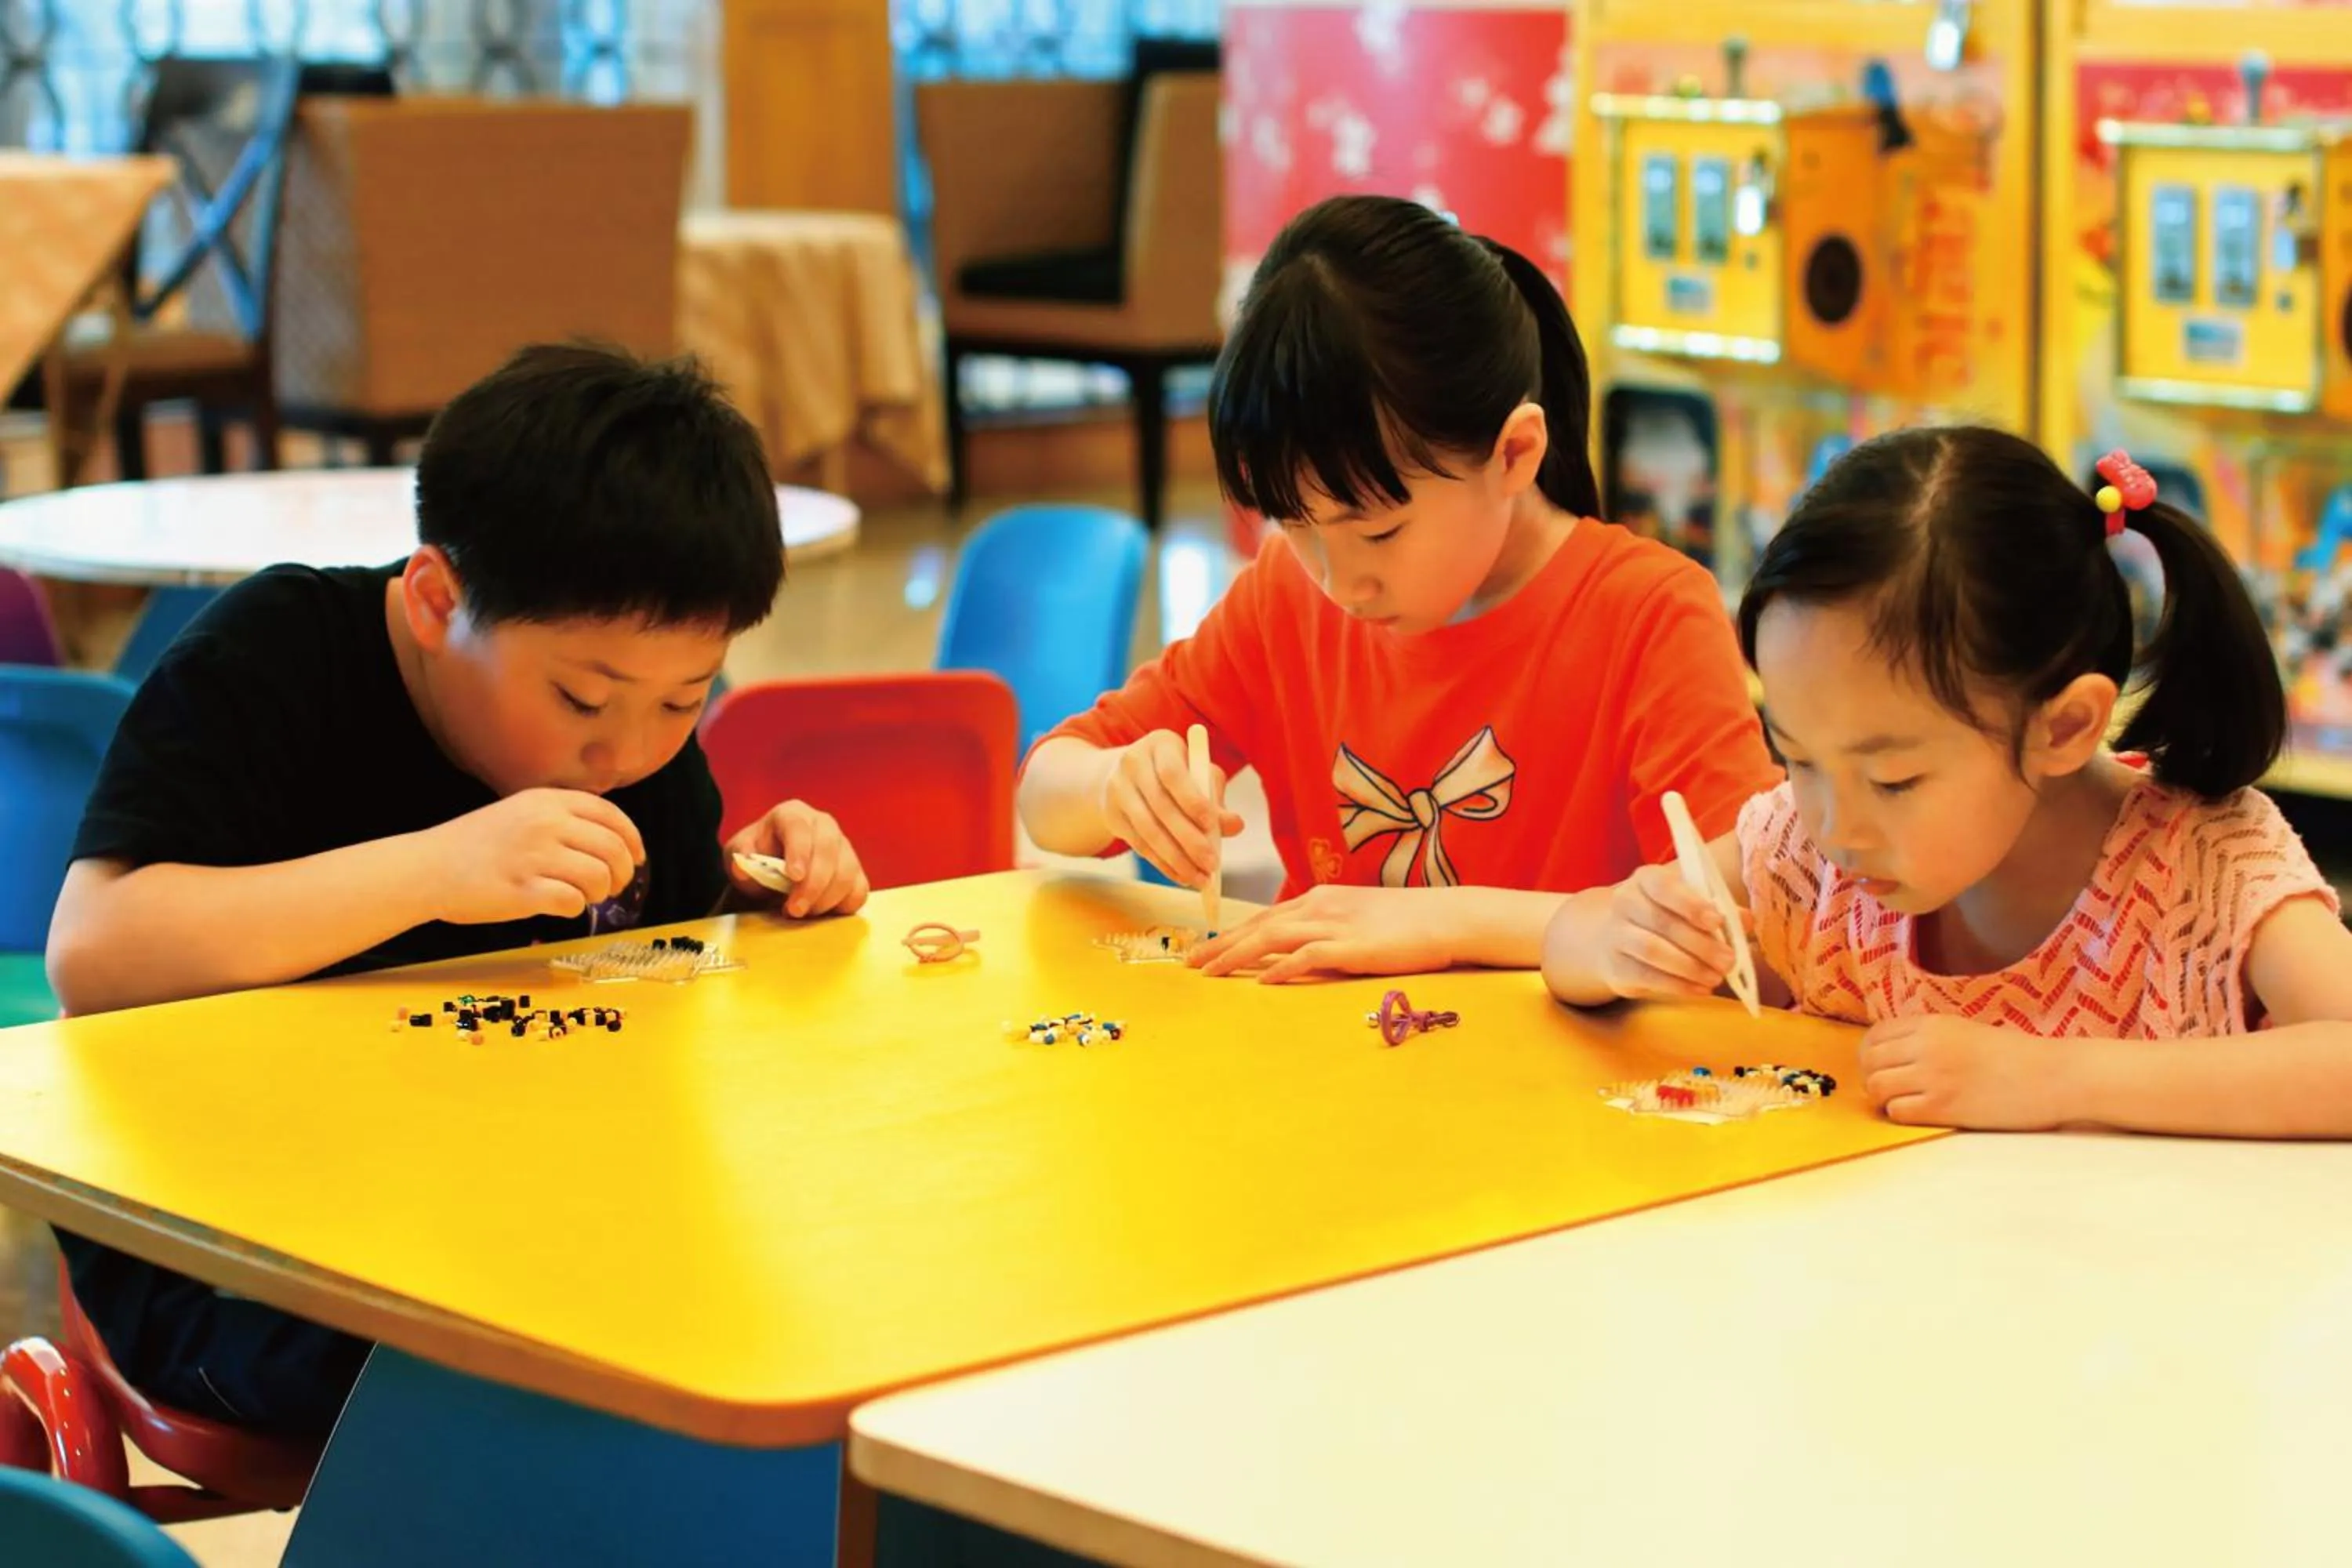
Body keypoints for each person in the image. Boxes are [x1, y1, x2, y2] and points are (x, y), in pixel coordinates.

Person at [44, 343, 872, 1435]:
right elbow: (93, 952)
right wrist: (434, 870)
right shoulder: (274, 655)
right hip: (236, 1259)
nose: (625, 751)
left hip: (515, 1222)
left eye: (684, 701)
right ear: (437, 598)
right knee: (562, 1388)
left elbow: (656, 994)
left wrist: (755, 900)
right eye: (583, 698)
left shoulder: (637, 755)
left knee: (801, 1304)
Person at [1018, 194, 1777, 983]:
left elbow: (1744, 891)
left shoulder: (1646, 613)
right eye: (1295, 523)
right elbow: (1045, 788)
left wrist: (1450, 923)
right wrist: (1114, 786)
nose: (1342, 581)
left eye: (1377, 531)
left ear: (1514, 454)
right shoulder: (1287, 595)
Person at [1543, 426, 2352, 1138]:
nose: (1836, 825)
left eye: (1894, 779)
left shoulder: (2203, 868)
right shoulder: (1805, 854)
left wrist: (2054, 1079)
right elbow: (1570, 945)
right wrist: (1621, 941)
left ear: (2064, 727)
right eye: (1798, 757)